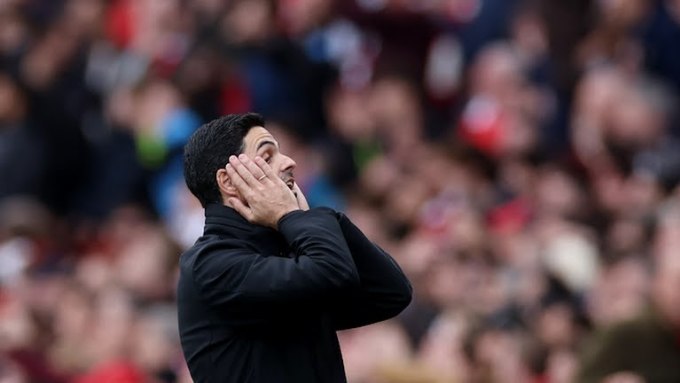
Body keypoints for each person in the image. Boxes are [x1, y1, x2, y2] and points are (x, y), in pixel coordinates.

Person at [177, 113, 413, 382]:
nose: (290, 162)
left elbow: (390, 293)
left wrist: (311, 217)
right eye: (267, 157)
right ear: (229, 182)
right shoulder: (210, 265)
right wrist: (296, 218)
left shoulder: (286, 246)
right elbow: (332, 271)